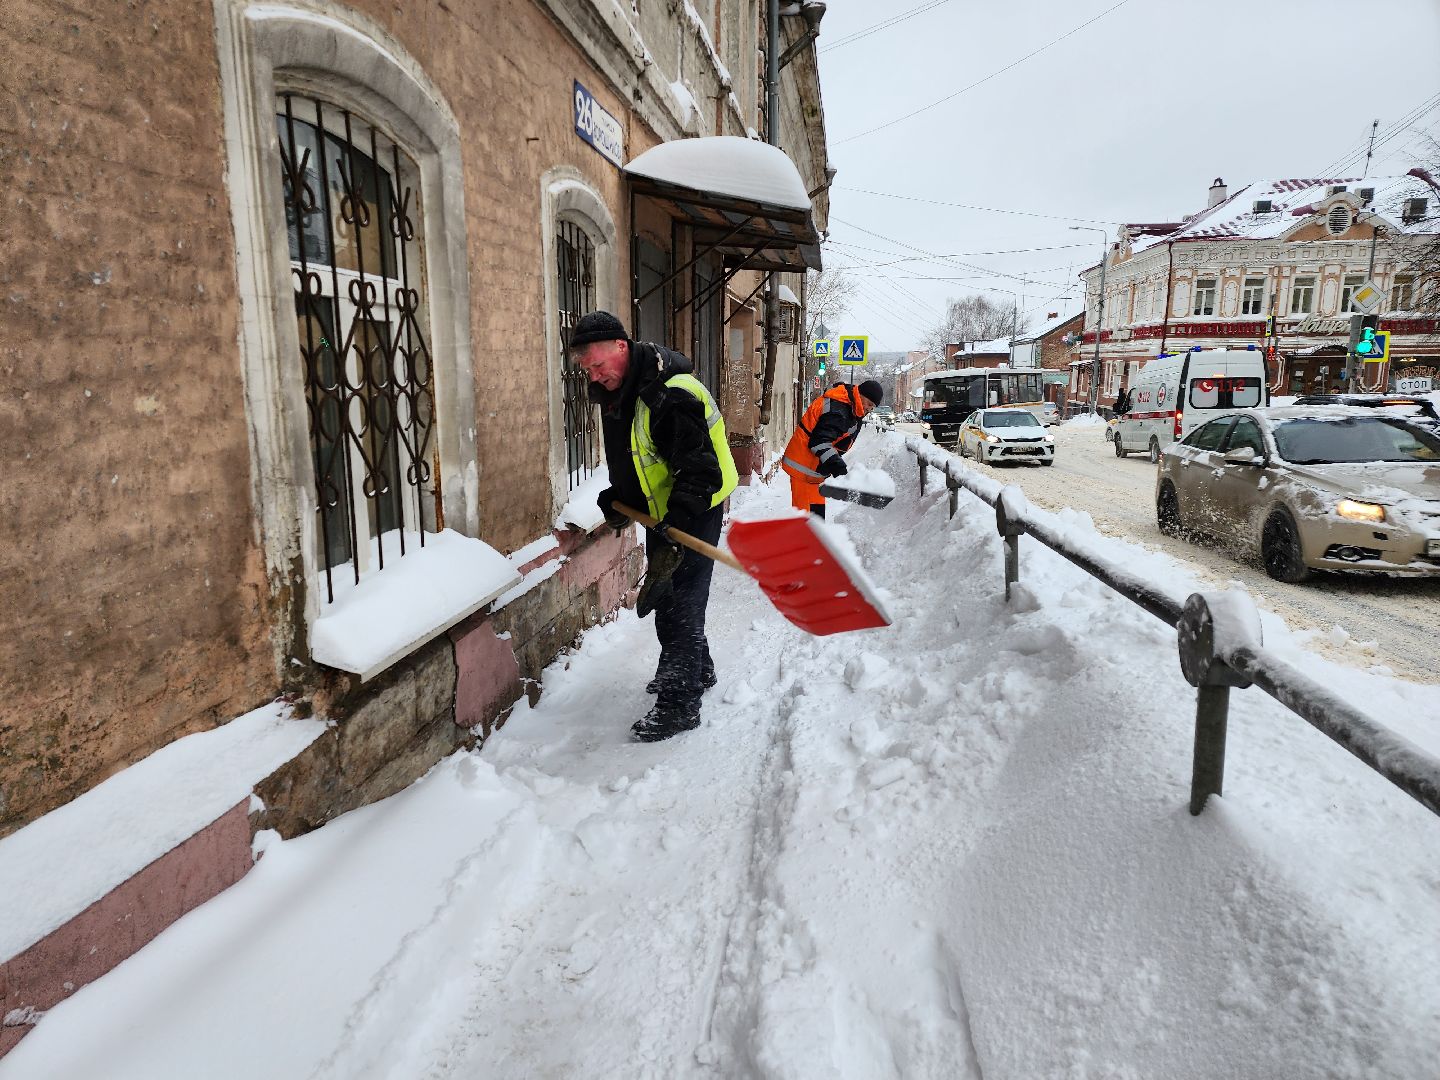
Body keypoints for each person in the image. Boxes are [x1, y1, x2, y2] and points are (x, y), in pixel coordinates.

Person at [569, 311, 738, 743]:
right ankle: (699, 669)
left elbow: (701, 471)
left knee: (679, 601)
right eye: (586, 368)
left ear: (621, 348)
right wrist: (619, 497)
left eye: (598, 364)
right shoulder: (620, 392)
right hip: (663, 510)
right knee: (674, 596)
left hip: (694, 507)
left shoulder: (669, 394)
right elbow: (636, 457)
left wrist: (674, 526)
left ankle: (680, 704)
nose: (593, 374)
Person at [781, 379, 884, 517]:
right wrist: (836, 464)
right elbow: (819, 442)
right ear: (860, 395)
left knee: (816, 519)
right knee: (805, 521)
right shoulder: (839, 409)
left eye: (873, 407)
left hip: (814, 471)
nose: (869, 409)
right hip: (804, 467)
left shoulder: (849, 406)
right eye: (869, 404)